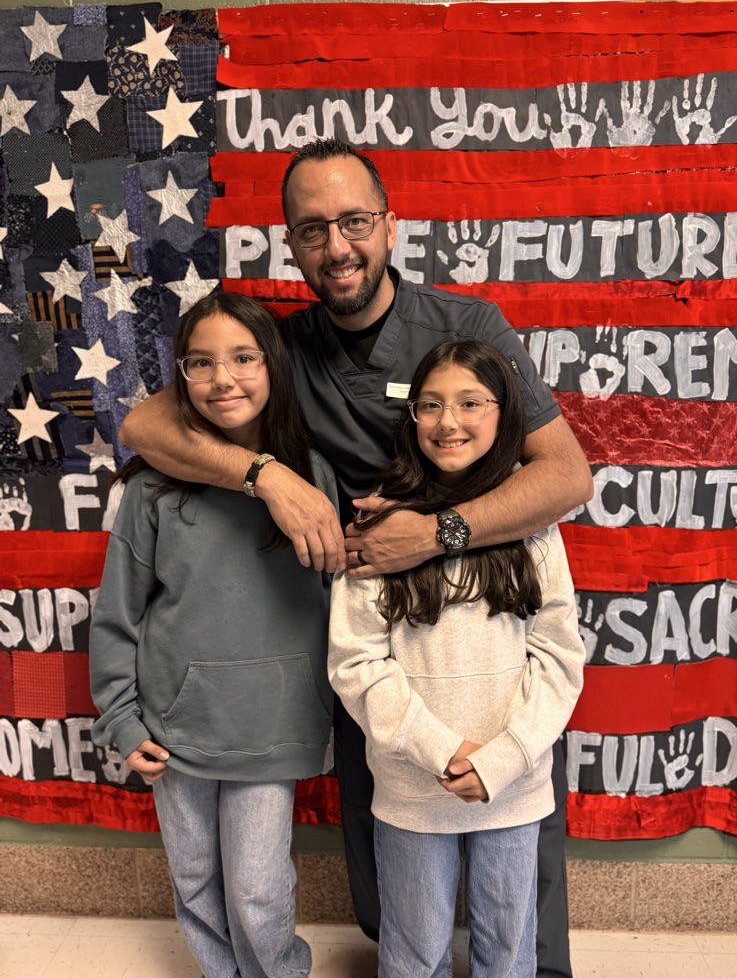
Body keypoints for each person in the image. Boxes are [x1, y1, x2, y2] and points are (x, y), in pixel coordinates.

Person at [119, 137, 593, 977]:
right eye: (312, 230)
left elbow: (565, 475)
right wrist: (267, 476)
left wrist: (439, 531)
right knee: (387, 845)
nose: (337, 247)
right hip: (367, 619)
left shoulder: (465, 325)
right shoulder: (285, 347)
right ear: (290, 244)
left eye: (355, 221)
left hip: (485, 603)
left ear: (390, 225)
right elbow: (143, 427)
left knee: (515, 858)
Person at [90, 294, 338, 978]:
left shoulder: (317, 482)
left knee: (258, 892)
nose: (222, 378)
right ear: (180, 377)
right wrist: (120, 715)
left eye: (241, 358)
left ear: (274, 366)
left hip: (273, 725)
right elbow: (119, 614)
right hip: (175, 727)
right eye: (200, 363)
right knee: (196, 881)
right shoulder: (152, 493)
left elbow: (347, 604)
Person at [329, 339, 586, 977]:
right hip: (414, 783)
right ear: (411, 416)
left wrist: (501, 758)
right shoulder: (379, 523)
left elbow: (558, 656)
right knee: (414, 953)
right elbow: (356, 661)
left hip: (514, 782)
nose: (449, 422)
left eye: (471, 403)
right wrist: (438, 749)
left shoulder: (532, 525)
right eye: (432, 405)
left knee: (509, 953)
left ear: (504, 416)